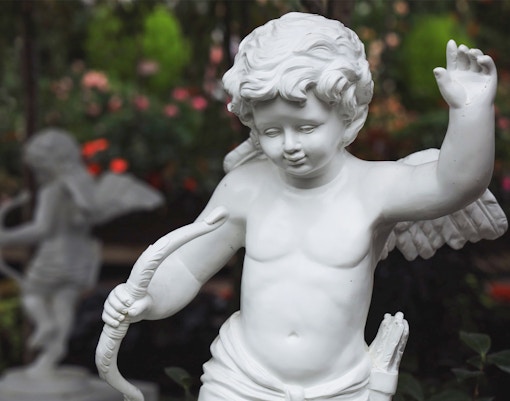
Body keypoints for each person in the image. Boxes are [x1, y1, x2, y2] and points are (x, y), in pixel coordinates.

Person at [101, 12, 500, 401]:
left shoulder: (373, 188)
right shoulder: (244, 188)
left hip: (340, 386)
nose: (289, 145)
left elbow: (455, 183)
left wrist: (471, 110)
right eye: (271, 131)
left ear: (348, 116)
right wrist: (148, 298)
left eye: (307, 127)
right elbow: (188, 265)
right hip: (241, 379)